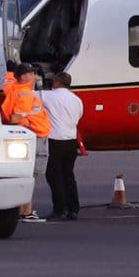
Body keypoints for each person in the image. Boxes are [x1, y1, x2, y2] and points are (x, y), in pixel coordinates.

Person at [0, 66, 51, 223]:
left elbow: (7, 85)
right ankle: (26, 212)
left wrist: (10, 71)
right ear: (23, 76)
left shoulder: (13, 88)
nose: (35, 76)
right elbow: (16, 117)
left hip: (32, 133)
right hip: (36, 134)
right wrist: (27, 122)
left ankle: (22, 210)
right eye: (31, 73)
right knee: (31, 175)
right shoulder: (26, 94)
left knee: (26, 174)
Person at [41, 70, 85, 221]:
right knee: (68, 175)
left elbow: (29, 96)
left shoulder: (49, 96)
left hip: (55, 140)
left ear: (56, 82)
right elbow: (79, 116)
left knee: (53, 175)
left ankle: (59, 209)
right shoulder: (77, 100)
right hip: (71, 141)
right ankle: (73, 208)